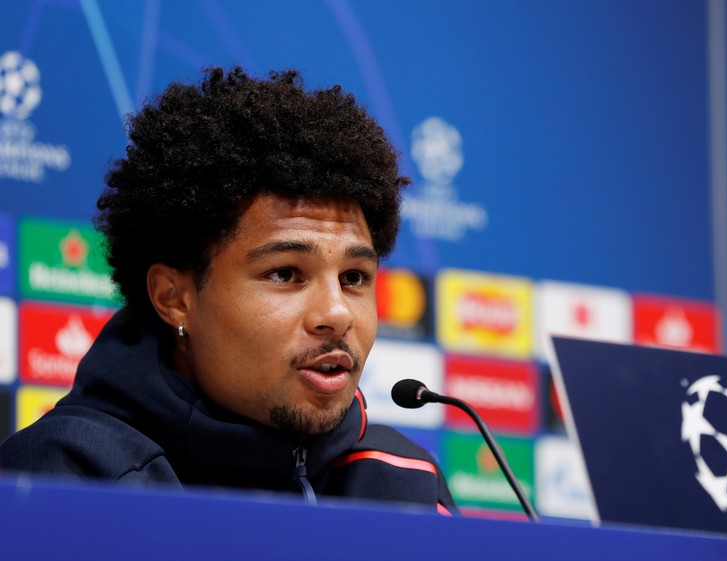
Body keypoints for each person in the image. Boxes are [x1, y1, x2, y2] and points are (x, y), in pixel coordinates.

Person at [0, 66, 455, 514]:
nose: (337, 313)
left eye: (353, 277)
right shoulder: (70, 475)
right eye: (285, 274)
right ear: (174, 298)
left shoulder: (404, 482)